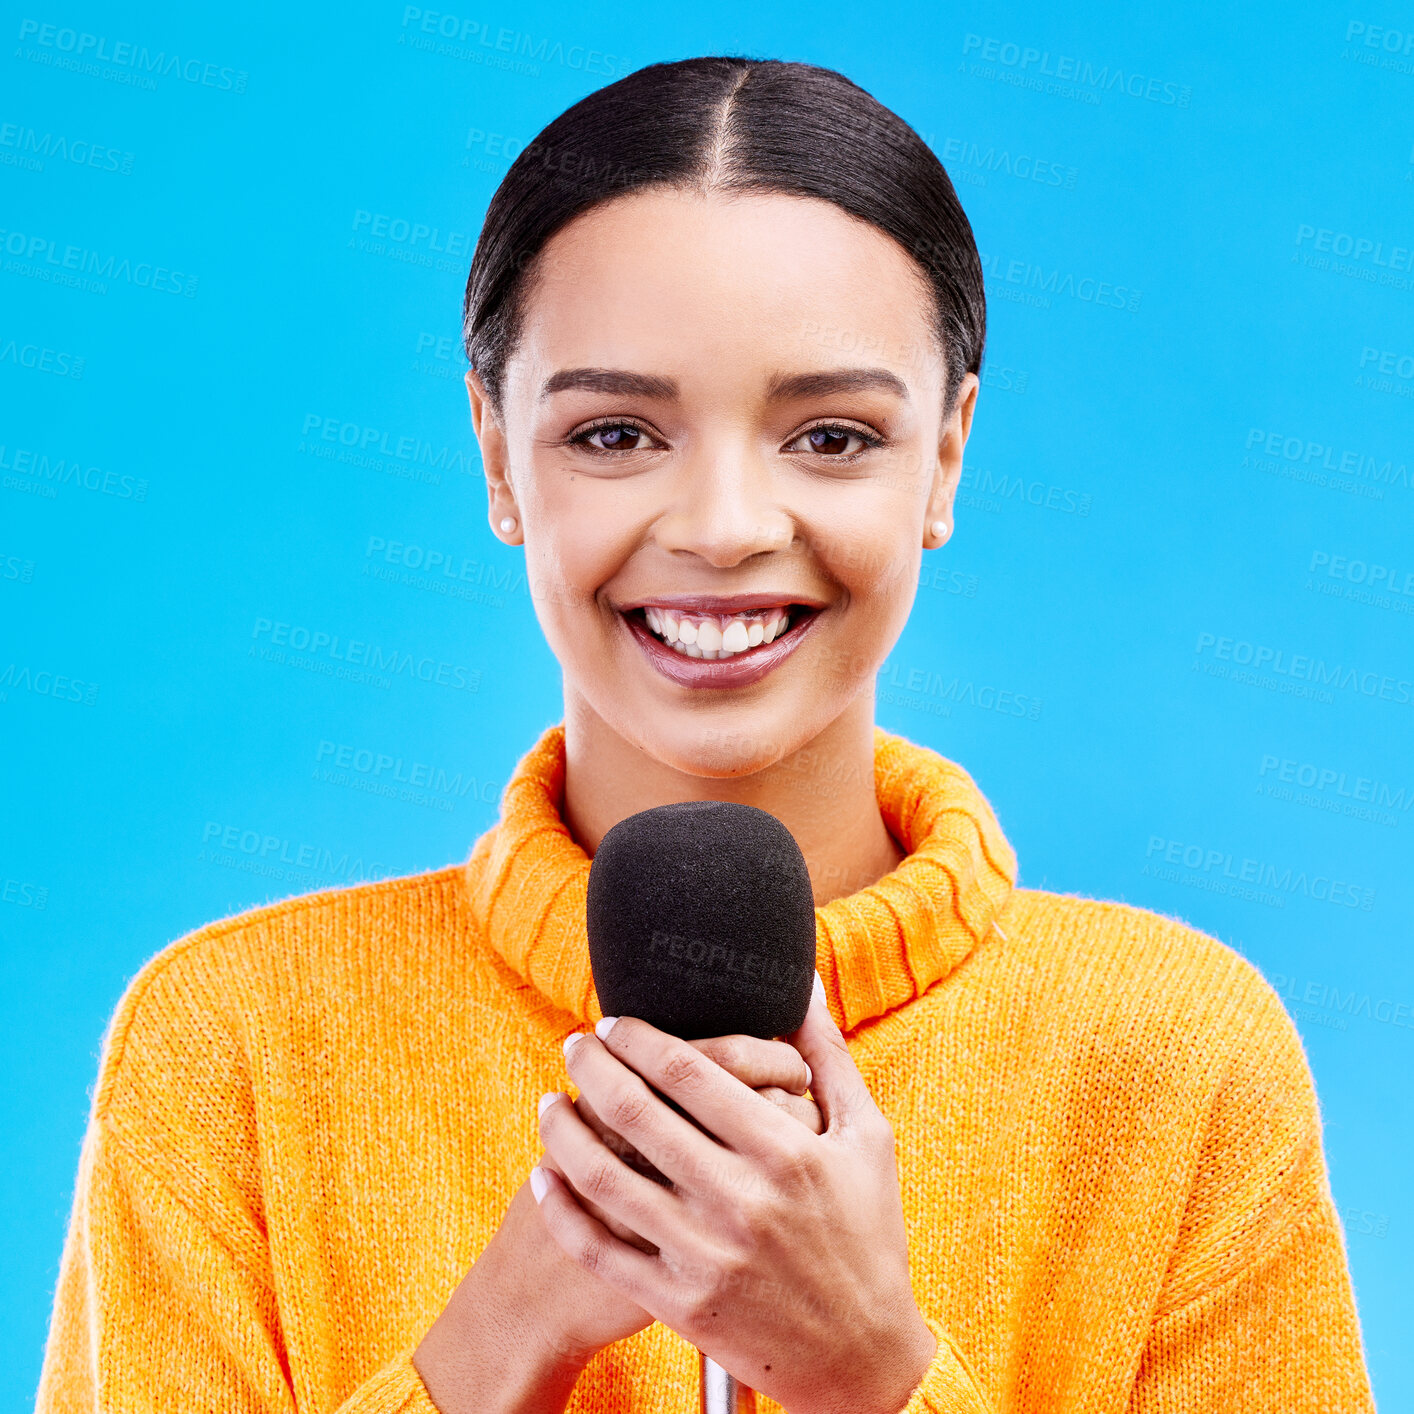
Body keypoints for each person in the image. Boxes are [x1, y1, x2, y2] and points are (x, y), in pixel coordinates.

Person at [37, 57, 1375, 1414]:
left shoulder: (1177, 1053)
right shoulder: (231, 1043)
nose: (725, 523)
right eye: (615, 431)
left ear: (946, 455)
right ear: (499, 456)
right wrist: (498, 1338)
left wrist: (867, 1367)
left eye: (833, 434)